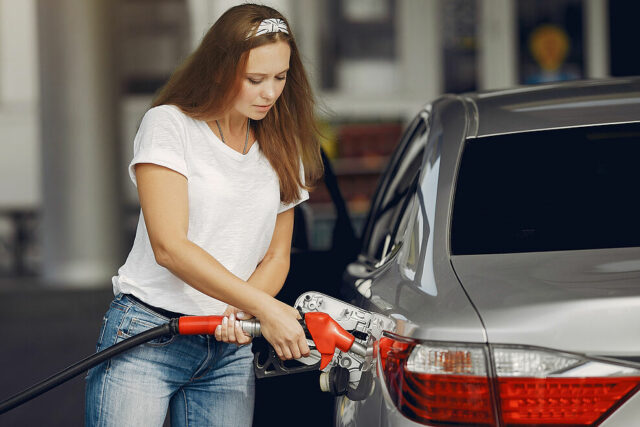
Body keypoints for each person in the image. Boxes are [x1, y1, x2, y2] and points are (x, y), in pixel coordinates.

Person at [85, 4, 323, 426]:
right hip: (148, 336)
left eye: (281, 77)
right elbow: (170, 247)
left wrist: (241, 313)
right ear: (219, 69)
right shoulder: (170, 125)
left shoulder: (284, 145)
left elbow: (275, 257)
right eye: (255, 79)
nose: (270, 92)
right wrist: (264, 309)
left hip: (229, 349)